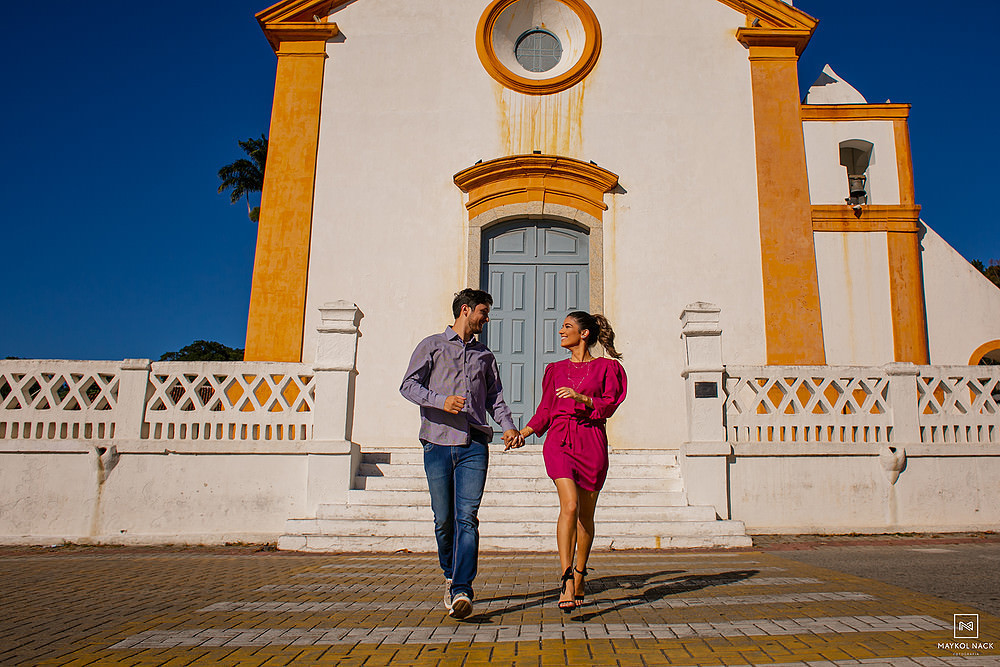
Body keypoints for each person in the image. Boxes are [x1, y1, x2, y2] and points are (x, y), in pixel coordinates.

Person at [400, 288, 523, 619]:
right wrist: (441, 401)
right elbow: (408, 386)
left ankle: (462, 589)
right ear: (466, 310)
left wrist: (508, 426)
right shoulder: (431, 346)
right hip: (437, 443)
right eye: (484, 312)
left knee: (466, 517)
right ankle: (450, 574)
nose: (487, 318)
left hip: (474, 445)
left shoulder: (485, 356)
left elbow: (495, 398)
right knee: (443, 520)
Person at [518, 311, 627, 612]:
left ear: (585, 333)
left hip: (591, 439)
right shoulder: (554, 369)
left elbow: (611, 403)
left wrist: (583, 398)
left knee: (585, 516)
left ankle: (580, 574)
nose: (561, 331)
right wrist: (524, 433)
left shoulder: (608, 368)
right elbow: (545, 409)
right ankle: (566, 578)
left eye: (567, 327)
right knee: (569, 506)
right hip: (560, 440)